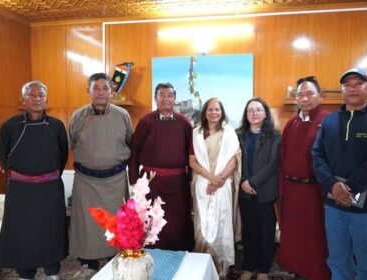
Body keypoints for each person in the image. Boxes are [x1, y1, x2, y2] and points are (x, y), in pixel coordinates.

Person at [312, 68, 367, 280]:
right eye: (347, 84)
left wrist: (349, 188)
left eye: (358, 83)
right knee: (338, 261)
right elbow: (317, 155)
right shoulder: (330, 121)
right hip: (333, 207)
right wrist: (332, 185)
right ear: (342, 90)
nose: (352, 88)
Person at [0, 80, 68, 280]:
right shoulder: (9, 125)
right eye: (31, 95)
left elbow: (62, 156)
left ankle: (52, 273)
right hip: (20, 190)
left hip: (50, 188)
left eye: (41, 95)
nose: (36, 99)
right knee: (22, 234)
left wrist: (45, 177)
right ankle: (25, 274)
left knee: (51, 232)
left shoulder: (56, 126)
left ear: (46, 99)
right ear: (23, 99)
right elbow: (3, 154)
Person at [69, 73, 133, 279]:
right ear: (88, 91)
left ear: (111, 92)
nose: (100, 92)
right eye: (95, 88)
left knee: (114, 224)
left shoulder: (123, 115)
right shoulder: (78, 116)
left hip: (115, 182)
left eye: (105, 88)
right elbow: (70, 144)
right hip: (86, 182)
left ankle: (114, 260)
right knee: (87, 224)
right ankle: (88, 264)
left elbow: (130, 142)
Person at [129, 82, 194, 251]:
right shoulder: (146, 122)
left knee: (177, 222)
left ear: (175, 99)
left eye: (170, 95)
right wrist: (135, 182)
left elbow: (192, 155)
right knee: (152, 221)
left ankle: (178, 255)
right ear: (155, 98)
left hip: (178, 183)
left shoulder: (184, 123)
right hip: (152, 182)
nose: (166, 99)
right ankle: (152, 255)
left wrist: (191, 182)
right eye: (162, 95)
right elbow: (134, 151)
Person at [278, 76, 331, 280]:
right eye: (300, 94)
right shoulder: (292, 122)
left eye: (310, 93)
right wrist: (282, 189)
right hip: (292, 191)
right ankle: (298, 274)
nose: (305, 98)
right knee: (294, 239)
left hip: (314, 192)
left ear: (320, 96)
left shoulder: (327, 121)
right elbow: (283, 157)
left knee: (315, 239)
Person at [189, 98, 240, 278]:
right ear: (204, 112)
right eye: (210, 109)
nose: (214, 112)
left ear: (222, 112)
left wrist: (219, 180)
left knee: (221, 224)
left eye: (217, 109)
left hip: (223, 186)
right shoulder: (196, 133)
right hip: (202, 184)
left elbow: (234, 159)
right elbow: (192, 160)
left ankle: (221, 268)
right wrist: (210, 178)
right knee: (202, 226)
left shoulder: (229, 133)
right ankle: (202, 267)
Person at [236, 97, 280, 280]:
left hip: (265, 191)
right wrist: (244, 182)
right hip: (244, 191)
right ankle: (249, 266)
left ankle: (264, 269)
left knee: (266, 232)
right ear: (246, 115)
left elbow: (273, 164)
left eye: (258, 110)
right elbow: (235, 161)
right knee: (249, 231)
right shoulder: (238, 134)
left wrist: (253, 182)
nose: (254, 113)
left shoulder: (274, 135)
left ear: (265, 114)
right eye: (250, 110)